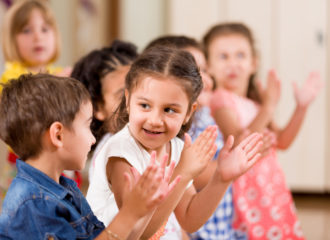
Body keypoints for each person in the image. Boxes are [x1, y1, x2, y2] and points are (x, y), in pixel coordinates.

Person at [86, 45, 263, 239]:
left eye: (169, 110)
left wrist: (221, 178)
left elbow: (189, 219)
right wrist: (183, 173)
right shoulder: (121, 153)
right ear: (128, 100)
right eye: (144, 105)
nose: (154, 120)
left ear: (188, 112)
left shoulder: (176, 147)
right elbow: (137, 233)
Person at [0, 73, 179, 240]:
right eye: (88, 126)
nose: (93, 139)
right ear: (58, 135)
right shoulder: (34, 204)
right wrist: (129, 213)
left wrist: (145, 207)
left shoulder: (65, 188)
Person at [203, 22, 322, 239]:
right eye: (223, 57)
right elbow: (241, 142)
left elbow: (283, 141)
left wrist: (301, 108)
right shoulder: (219, 99)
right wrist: (268, 107)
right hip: (246, 191)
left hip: (270, 187)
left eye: (240, 55)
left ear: (253, 63)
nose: (233, 64)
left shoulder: (256, 104)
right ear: (208, 65)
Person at [144, 35, 245, 240]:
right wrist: (224, 168)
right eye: (195, 73)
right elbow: (189, 175)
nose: (206, 80)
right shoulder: (171, 129)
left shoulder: (208, 115)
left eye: (205, 70)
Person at [0, 0, 77, 192]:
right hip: (28, 162)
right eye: (26, 30)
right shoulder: (10, 78)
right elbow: (25, 111)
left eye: (45, 29)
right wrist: (55, 83)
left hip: (61, 158)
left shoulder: (60, 72)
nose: (37, 37)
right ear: (11, 39)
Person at [70, 39, 138, 180]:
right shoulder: (114, 152)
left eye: (140, 89)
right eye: (122, 95)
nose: (137, 101)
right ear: (97, 107)